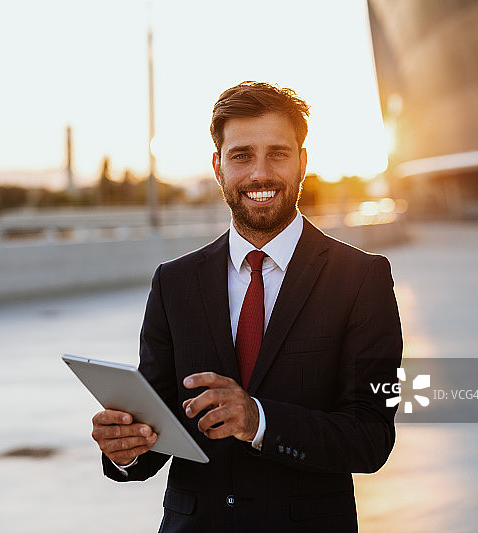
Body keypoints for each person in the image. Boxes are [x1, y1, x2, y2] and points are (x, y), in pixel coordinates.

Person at [91, 81, 402, 532]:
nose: (260, 173)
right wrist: (126, 449)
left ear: (302, 163)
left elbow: (372, 437)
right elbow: (159, 429)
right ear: (218, 167)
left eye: (278, 153)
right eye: (241, 155)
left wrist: (259, 420)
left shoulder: (361, 279)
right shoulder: (174, 283)